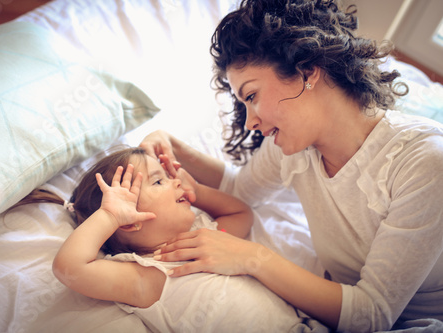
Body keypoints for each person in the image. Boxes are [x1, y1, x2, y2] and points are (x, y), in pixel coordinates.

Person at [139, 0, 443, 332]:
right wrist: (172, 144)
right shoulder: (294, 147)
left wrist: (251, 258)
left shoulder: (424, 162)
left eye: (252, 96)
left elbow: (372, 315)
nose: (251, 122)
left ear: (306, 72)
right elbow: (239, 191)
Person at [13, 146, 327, 332]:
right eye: (159, 181)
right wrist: (108, 216)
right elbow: (70, 268)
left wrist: (199, 192)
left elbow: (241, 215)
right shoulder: (148, 273)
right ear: (129, 221)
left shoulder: (207, 239)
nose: (175, 181)